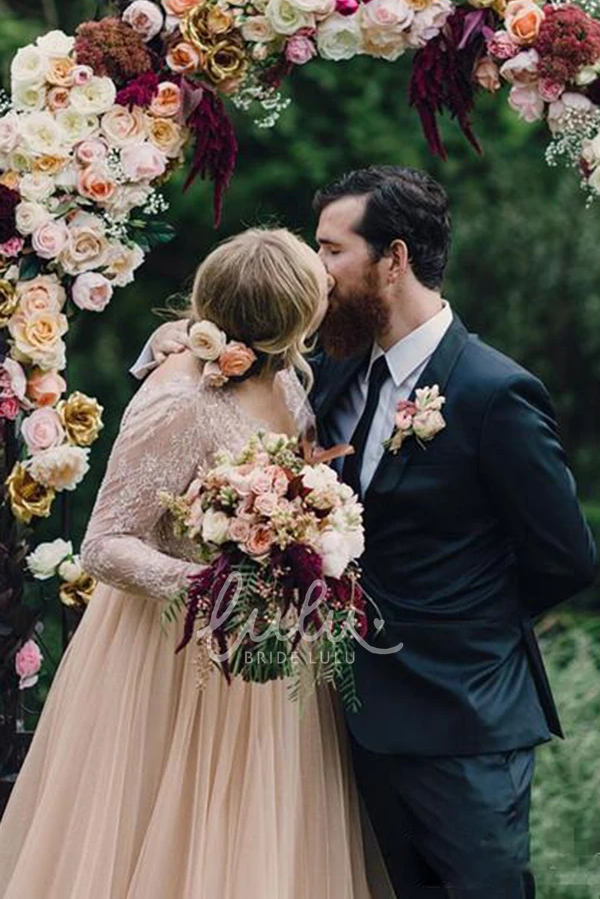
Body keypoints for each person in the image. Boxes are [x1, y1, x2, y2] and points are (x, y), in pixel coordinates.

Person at [138, 166, 598, 899]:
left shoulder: (495, 393)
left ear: (394, 259)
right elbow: (232, 357)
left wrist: (458, 624)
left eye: (331, 250)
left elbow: (566, 558)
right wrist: (173, 340)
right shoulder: (330, 372)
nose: (316, 270)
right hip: (344, 719)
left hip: (462, 719)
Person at [0, 228, 395, 899]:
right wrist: (216, 584)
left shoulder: (286, 375)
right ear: (290, 316)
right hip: (175, 659)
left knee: (262, 845)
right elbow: (105, 542)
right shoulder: (179, 399)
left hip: (268, 664)